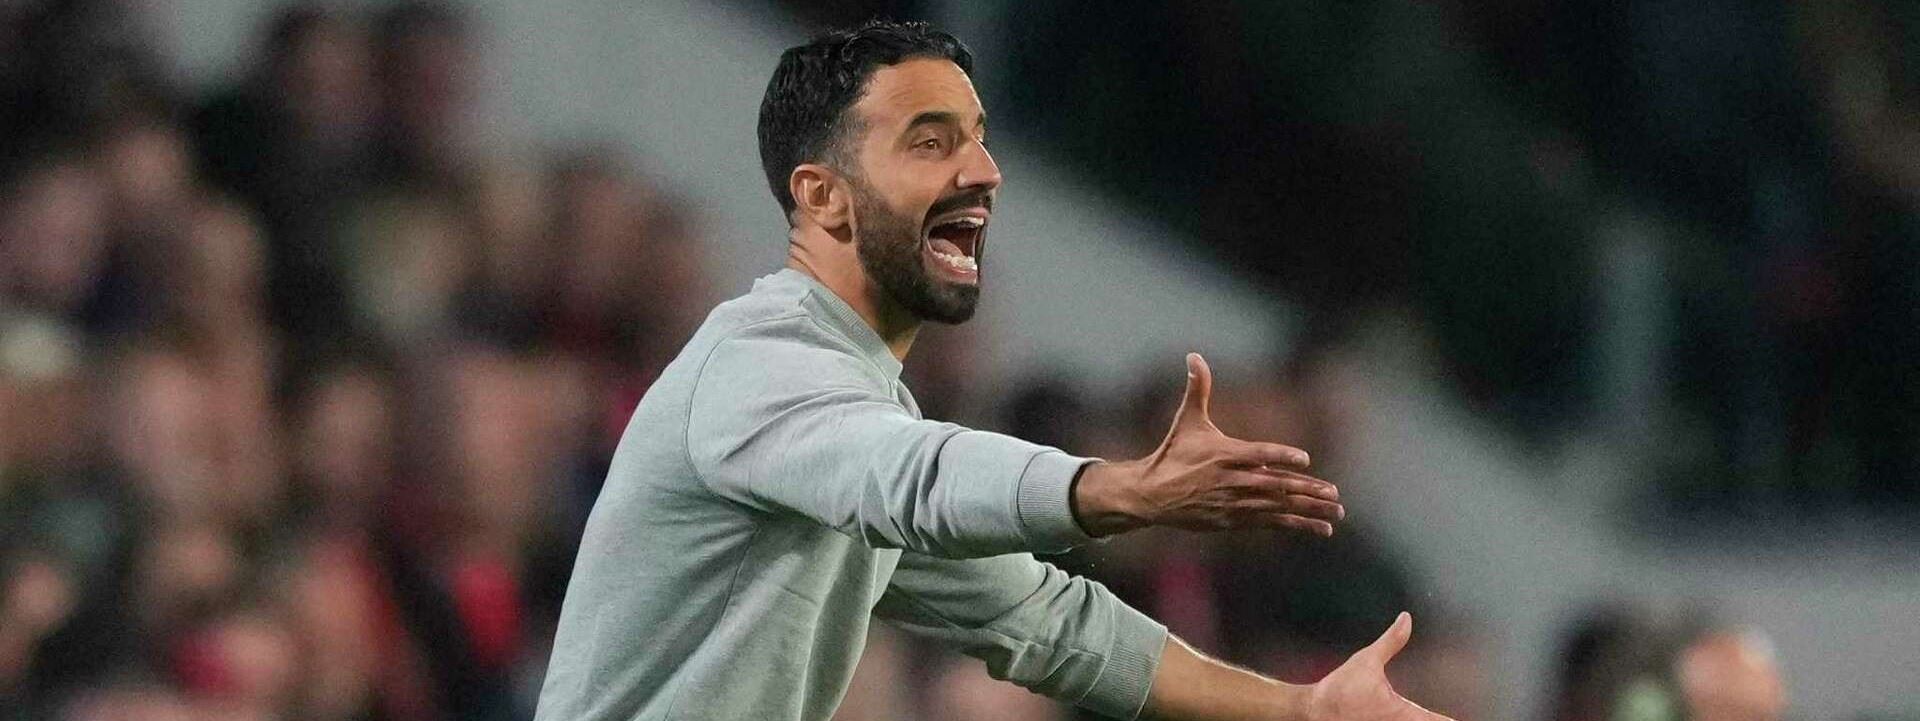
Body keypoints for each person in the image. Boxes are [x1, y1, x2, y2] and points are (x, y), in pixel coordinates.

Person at [534, 20, 1450, 721]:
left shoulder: (850, 407)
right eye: (930, 142)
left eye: (978, 137)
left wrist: (1299, 707)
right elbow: (913, 478)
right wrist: (1115, 488)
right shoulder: (757, 363)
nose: (984, 171)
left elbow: (1047, 620)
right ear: (823, 195)